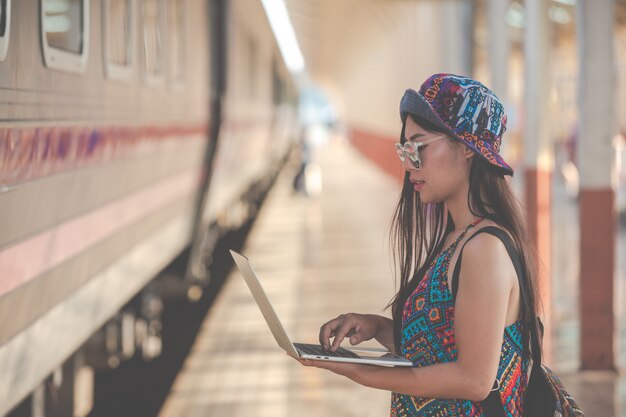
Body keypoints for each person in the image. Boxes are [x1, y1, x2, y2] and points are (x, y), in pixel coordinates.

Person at [292, 73, 542, 416]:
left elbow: (473, 379)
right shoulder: (457, 238)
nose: (408, 163)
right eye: (404, 149)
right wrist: (377, 327)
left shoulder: (485, 249)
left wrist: (364, 372)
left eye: (418, 146)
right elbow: (442, 349)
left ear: (467, 148)